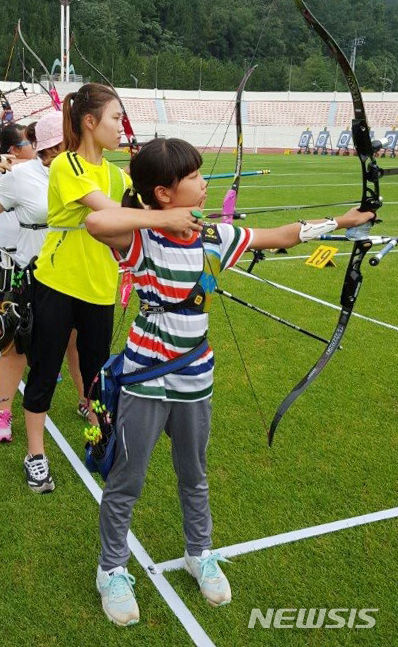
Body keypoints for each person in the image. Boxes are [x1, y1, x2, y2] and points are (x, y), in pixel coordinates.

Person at [85, 137, 373, 626]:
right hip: (145, 378)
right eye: (193, 177)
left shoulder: (214, 237)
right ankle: (111, 568)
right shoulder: (142, 240)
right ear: (163, 193)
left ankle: (200, 553)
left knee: (193, 474)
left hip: (196, 375)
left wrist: (340, 223)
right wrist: (161, 221)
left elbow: (280, 236)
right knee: (126, 480)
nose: (203, 183)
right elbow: (95, 221)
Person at [22, 85, 202, 494]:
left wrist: (176, 197)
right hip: (57, 283)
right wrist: (164, 217)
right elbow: (109, 211)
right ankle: (36, 453)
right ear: (90, 122)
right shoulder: (67, 165)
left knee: (97, 373)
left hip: (100, 287)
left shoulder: (118, 174)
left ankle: (98, 437)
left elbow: (142, 212)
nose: (121, 127)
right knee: (45, 370)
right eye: (115, 118)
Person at [0, 112, 88, 447]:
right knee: (18, 345)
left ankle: (87, 401)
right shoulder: (21, 175)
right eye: (64, 145)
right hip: (30, 270)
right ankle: (3, 413)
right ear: (51, 147)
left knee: (76, 340)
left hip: (71, 270)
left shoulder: (85, 175)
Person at [0, 124, 35, 254]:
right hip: (7, 252)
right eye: (31, 142)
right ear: (15, 150)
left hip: (26, 250)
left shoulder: (36, 170)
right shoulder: (5, 169)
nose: (36, 146)